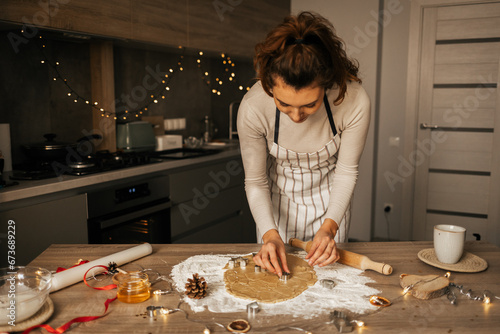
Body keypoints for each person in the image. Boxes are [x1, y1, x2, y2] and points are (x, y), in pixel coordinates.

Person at [237, 12, 371, 277]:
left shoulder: (353, 100)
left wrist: (329, 228)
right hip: (275, 205)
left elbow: (346, 172)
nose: (297, 117)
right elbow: (256, 181)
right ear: (269, 85)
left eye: (310, 104)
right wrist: (269, 234)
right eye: (284, 104)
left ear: (328, 84)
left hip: (331, 202)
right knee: (276, 284)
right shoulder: (253, 108)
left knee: (331, 283)